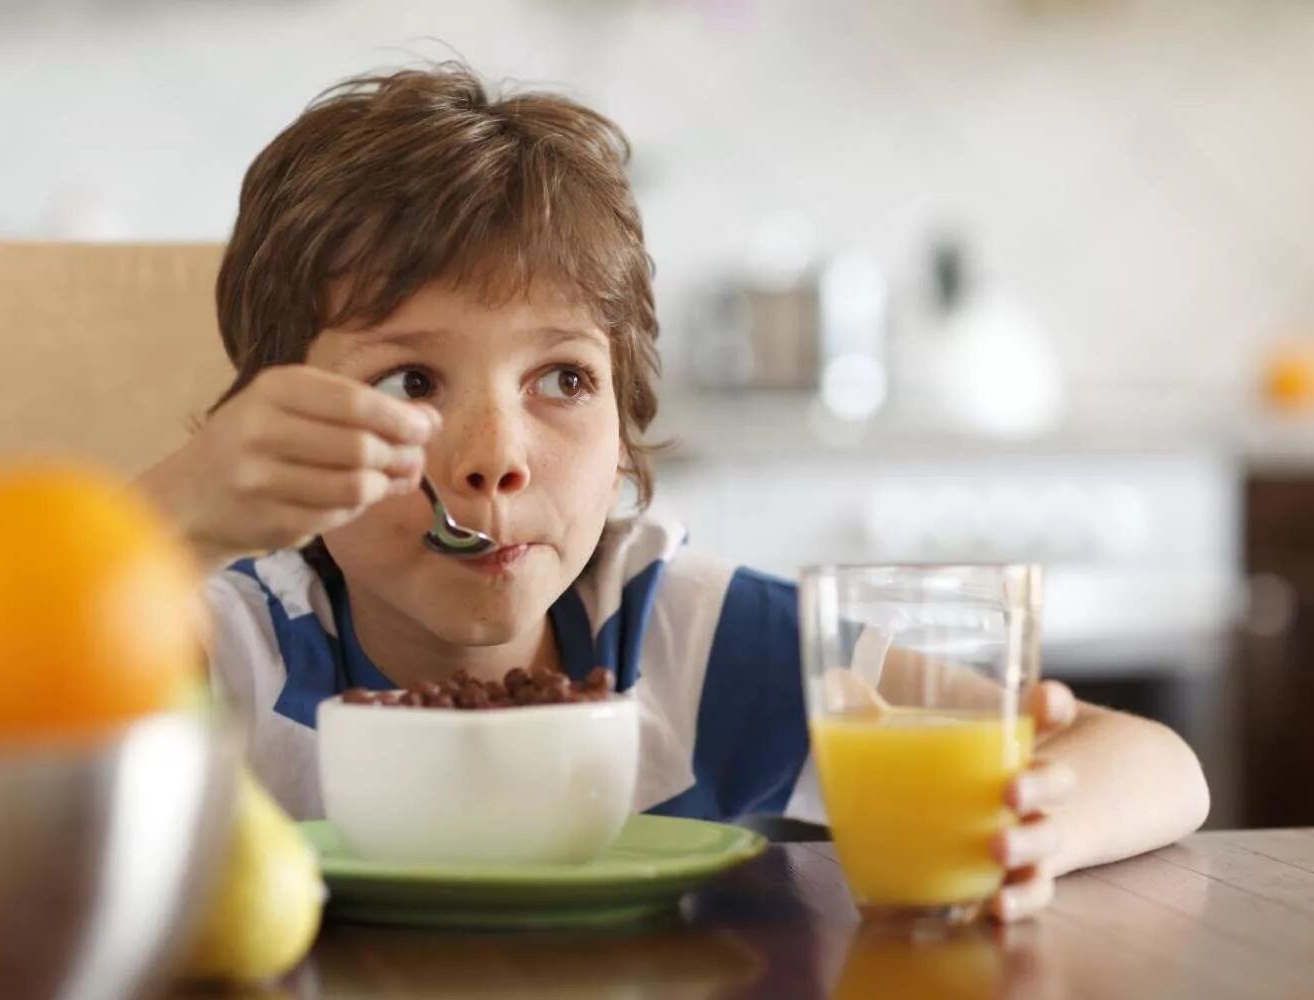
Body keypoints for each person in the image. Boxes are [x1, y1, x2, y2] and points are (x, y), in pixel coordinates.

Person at [136, 63, 1210, 922]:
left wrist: (1038, 825)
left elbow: (1153, 763)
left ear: (623, 426)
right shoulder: (235, 650)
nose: (494, 457)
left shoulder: (686, 636)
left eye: (561, 379)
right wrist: (174, 513)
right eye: (409, 381)